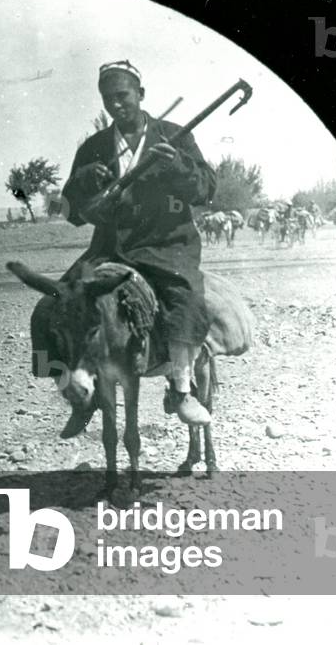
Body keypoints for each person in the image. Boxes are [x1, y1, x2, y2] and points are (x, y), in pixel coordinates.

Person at [33, 59, 217, 433]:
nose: (116, 104)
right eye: (108, 98)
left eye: (122, 96)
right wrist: (82, 181)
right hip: (110, 249)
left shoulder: (174, 135)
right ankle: (75, 392)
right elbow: (71, 212)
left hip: (167, 246)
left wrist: (179, 166)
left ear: (141, 95)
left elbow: (206, 189)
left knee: (185, 300)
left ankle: (182, 390)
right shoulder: (94, 148)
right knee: (48, 308)